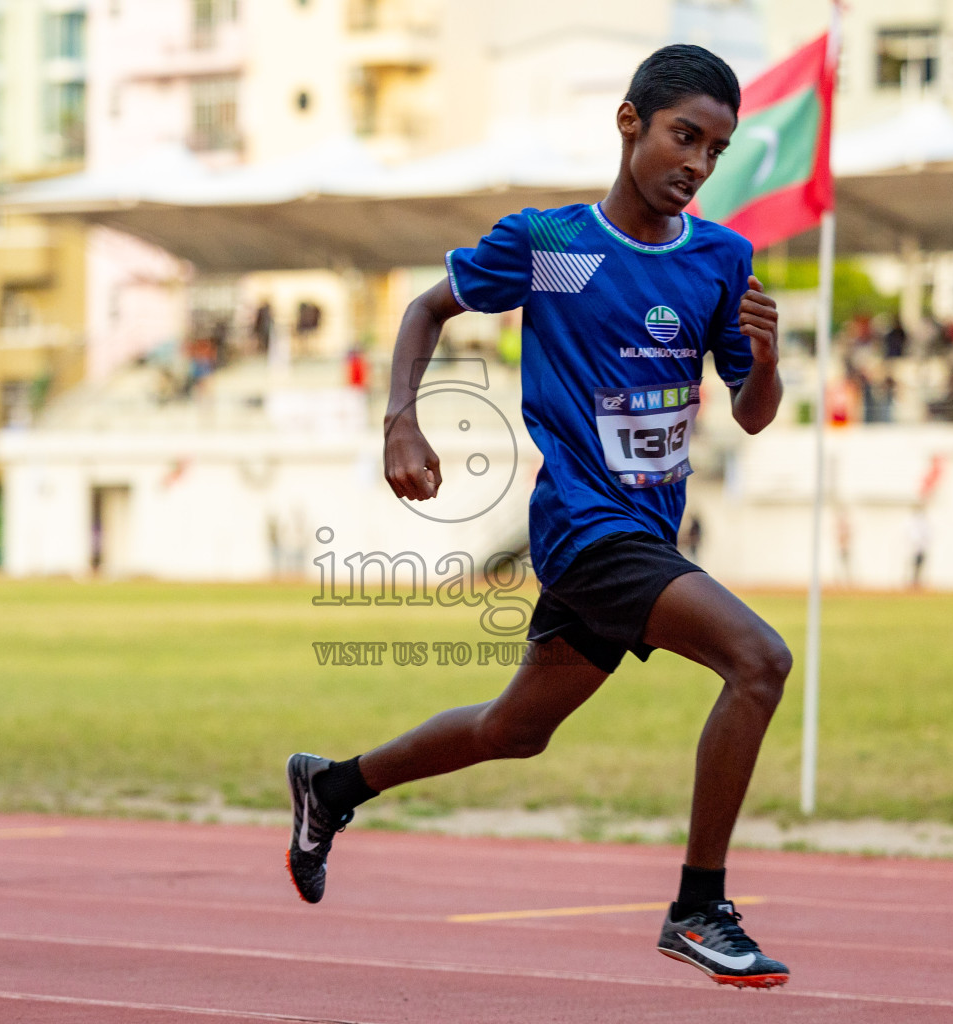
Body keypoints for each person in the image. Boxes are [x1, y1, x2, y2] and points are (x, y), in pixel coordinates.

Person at [285, 45, 792, 989]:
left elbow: (754, 414)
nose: (699, 163)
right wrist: (402, 419)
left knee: (515, 729)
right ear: (630, 122)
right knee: (759, 661)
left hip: (647, 537)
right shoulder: (553, 246)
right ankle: (698, 906)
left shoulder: (721, 260)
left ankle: (334, 783)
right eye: (686, 135)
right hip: (584, 532)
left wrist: (763, 360)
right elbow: (426, 309)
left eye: (718, 150)